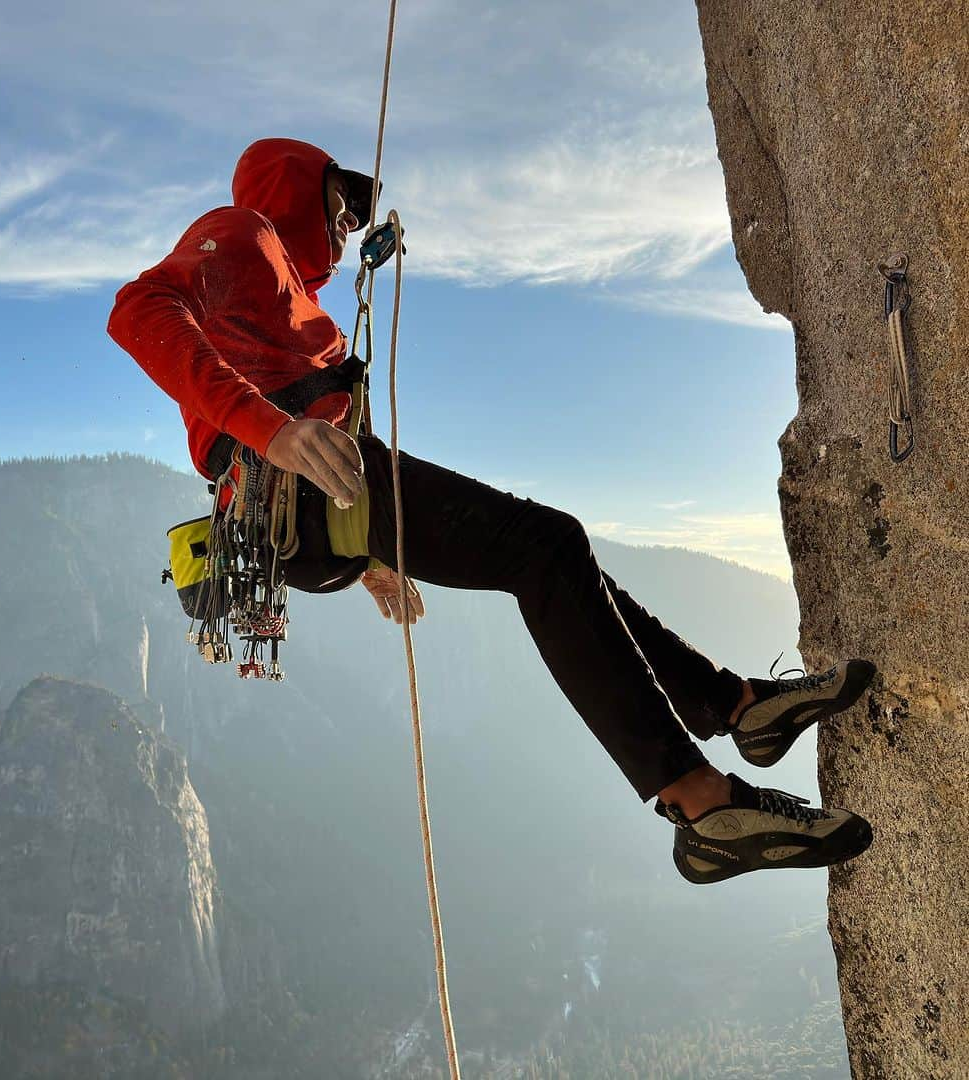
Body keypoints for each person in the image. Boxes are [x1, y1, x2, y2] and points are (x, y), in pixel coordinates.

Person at [108, 137, 875, 885]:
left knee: (559, 561)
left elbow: (311, 412)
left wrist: (373, 557)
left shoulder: (293, 301)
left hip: (321, 510)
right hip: (301, 497)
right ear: (291, 188)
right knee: (545, 551)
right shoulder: (241, 231)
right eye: (339, 202)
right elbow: (139, 309)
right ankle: (704, 805)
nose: (345, 227)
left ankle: (735, 706)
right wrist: (272, 432)